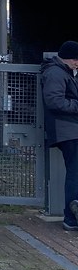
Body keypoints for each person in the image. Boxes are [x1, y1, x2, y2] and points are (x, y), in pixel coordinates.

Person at [41, 40, 78, 231]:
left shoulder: (60, 71)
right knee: (74, 173)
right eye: (76, 59)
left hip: (68, 129)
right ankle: (71, 217)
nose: (77, 63)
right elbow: (54, 101)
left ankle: (72, 215)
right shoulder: (56, 73)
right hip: (68, 129)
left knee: (74, 172)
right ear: (68, 58)